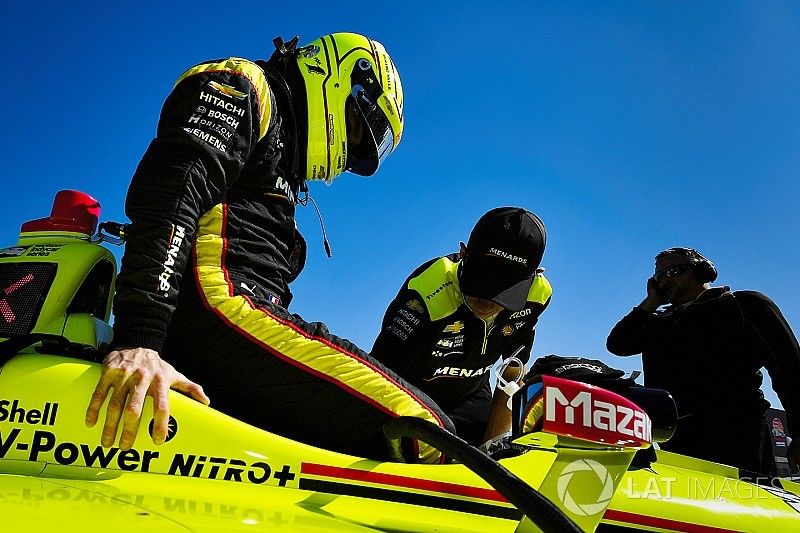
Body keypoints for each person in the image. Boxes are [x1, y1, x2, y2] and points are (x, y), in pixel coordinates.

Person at [84, 33, 453, 463]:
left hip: (235, 324)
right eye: (356, 130)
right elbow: (171, 194)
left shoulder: (284, 162)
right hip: (219, 308)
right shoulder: (243, 85)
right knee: (425, 430)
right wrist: (140, 338)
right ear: (339, 80)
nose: (350, 155)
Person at [607, 247, 800, 473]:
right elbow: (617, 344)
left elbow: (790, 369)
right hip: (676, 439)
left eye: (674, 272)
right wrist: (650, 302)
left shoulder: (745, 305)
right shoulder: (658, 322)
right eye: (659, 276)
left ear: (701, 271)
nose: (665, 280)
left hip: (737, 435)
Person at [370, 207, 552, 447]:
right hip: (410, 391)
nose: (487, 303)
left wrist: (492, 449)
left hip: (471, 393)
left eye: (504, 292)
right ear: (464, 253)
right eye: (482, 283)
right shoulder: (427, 289)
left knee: (495, 451)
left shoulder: (537, 295)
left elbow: (512, 372)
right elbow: (381, 375)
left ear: (534, 276)